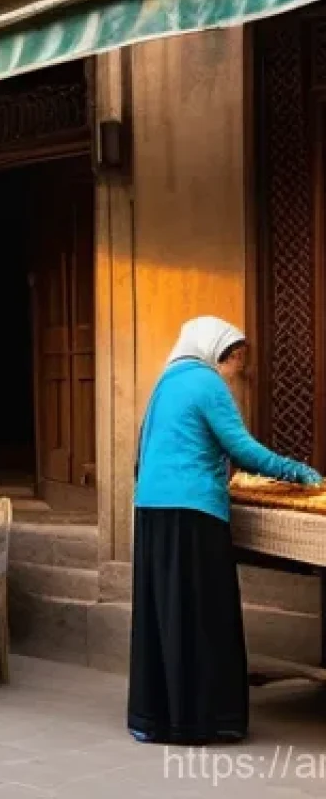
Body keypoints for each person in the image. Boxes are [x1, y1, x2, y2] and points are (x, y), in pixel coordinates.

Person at [128, 317, 324, 745]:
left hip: (152, 511)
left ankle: (156, 718)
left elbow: (143, 450)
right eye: (239, 362)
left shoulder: (166, 381)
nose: (240, 373)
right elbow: (241, 448)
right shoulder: (205, 382)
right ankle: (202, 720)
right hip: (192, 513)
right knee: (203, 615)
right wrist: (299, 472)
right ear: (223, 354)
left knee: (165, 614)